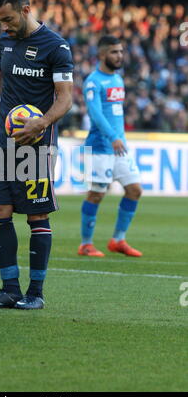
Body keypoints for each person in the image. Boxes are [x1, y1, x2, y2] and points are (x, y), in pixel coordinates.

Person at [0, 0, 73, 310]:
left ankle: (36, 293)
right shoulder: (6, 41)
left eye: (8, 19)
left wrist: (41, 123)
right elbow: (0, 78)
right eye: (0, 21)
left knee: (37, 214)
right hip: (3, 142)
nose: (4, 26)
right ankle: (9, 290)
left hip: (37, 143)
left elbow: (65, 99)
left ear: (26, 9)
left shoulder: (56, 47)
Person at [78, 35, 143, 258]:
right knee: (97, 194)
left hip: (119, 147)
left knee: (135, 190)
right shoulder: (93, 82)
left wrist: (119, 138)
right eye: (114, 52)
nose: (119, 56)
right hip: (98, 147)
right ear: (102, 54)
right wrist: (113, 136)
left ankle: (118, 240)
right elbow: (95, 114)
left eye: (121, 52)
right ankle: (85, 244)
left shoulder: (118, 79)